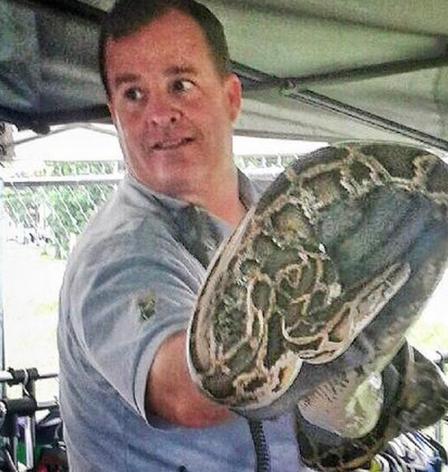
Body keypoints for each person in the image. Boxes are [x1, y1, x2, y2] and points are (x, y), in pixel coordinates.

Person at [56, 0, 304, 469]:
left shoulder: (275, 217)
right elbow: (192, 392)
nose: (159, 114)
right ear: (114, 114)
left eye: (180, 85)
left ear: (231, 98)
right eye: (133, 94)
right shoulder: (119, 250)